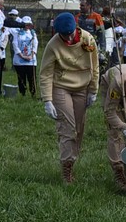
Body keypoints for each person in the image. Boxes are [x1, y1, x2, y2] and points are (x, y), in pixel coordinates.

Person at [39, 12, 99, 184]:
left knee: (79, 129)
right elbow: (46, 73)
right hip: (61, 87)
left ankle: (72, 162)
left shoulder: (88, 39)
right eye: (64, 35)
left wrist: (93, 90)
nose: (68, 38)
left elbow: (94, 66)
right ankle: (66, 169)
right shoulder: (53, 45)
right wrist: (47, 100)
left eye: (71, 34)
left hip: (82, 87)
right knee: (68, 128)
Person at [12, 16, 39, 97]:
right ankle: (22, 93)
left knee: (32, 78)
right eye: (25, 24)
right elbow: (15, 45)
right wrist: (22, 56)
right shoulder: (17, 33)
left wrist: (32, 55)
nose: (27, 26)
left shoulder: (33, 33)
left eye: (28, 24)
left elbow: (35, 44)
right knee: (21, 78)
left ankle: (33, 93)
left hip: (31, 61)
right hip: (19, 61)